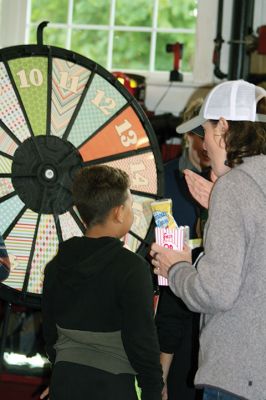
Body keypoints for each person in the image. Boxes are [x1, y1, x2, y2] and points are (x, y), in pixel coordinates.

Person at [150, 79, 266, 400]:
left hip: (235, 376)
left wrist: (176, 267)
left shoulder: (233, 188)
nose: (203, 146)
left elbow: (215, 293)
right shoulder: (252, 183)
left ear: (224, 127)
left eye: (205, 132)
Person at [42, 165, 163, 400]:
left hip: (64, 382)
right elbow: (142, 342)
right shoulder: (131, 268)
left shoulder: (55, 267)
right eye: (130, 205)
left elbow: (50, 336)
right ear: (118, 213)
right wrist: (153, 391)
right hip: (112, 386)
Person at [155, 98, 212, 400]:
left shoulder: (226, 185)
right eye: (201, 135)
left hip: (208, 309)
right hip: (169, 303)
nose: (207, 147)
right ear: (189, 135)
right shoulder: (164, 180)